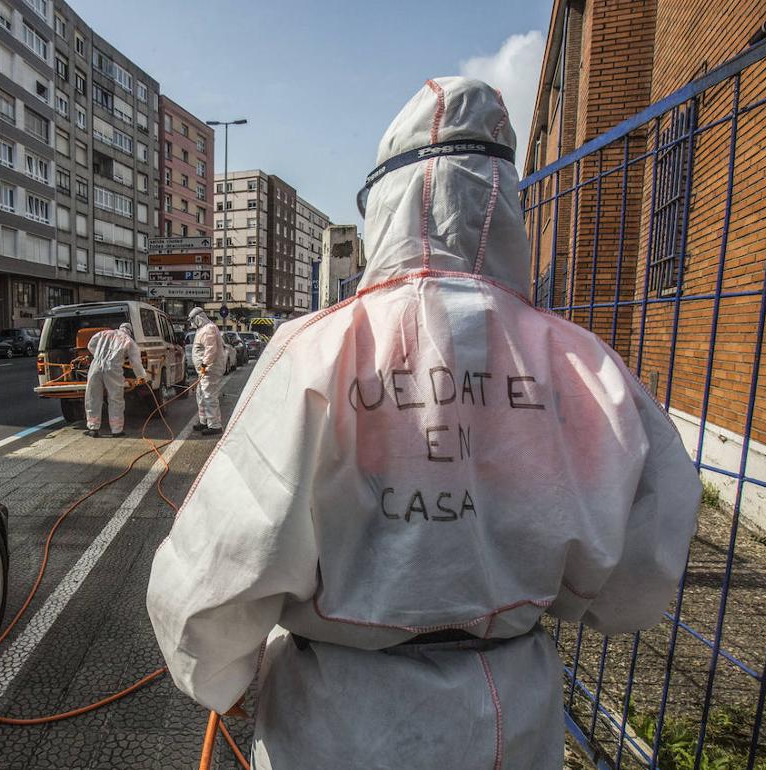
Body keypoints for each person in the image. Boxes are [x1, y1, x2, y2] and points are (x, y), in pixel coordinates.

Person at [147, 77, 701, 769]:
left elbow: (222, 564)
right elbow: (640, 573)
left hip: (337, 723)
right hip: (510, 717)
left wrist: (218, 674)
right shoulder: (583, 367)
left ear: (385, 204)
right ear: (504, 204)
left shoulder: (317, 350)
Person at [83, 322, 147, 438]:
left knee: (93, 397)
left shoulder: (104, 333)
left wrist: (99, 355)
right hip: (113, 368)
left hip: (96, 366)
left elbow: (90, 345)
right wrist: (141, 376)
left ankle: (93, 428)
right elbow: (136, 362)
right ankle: (116, 430)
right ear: (129, 331)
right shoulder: (128, 340)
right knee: (115, 398)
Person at [188, 307, 226, 436]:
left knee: (209, 396)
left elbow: (210, 350)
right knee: (201, 395)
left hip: (210, 370)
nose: (192, 323)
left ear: (198, 318)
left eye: (192, 320)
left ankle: (215, 425)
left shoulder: (208, 329)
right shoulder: (202, 329)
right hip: (204, 370)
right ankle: (204, 421)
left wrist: (204, 366)